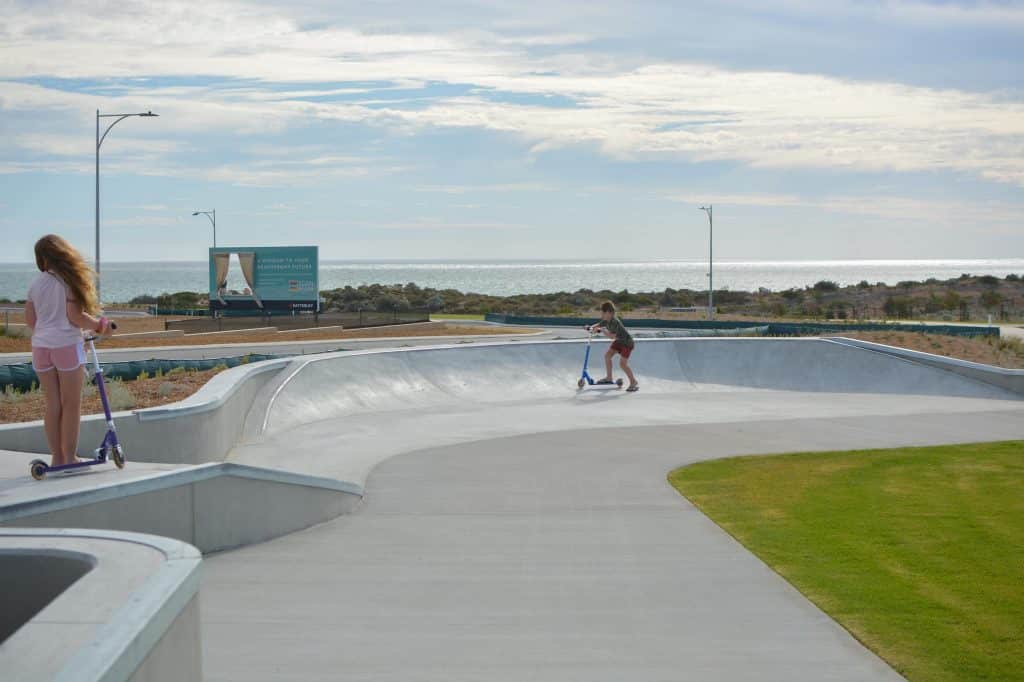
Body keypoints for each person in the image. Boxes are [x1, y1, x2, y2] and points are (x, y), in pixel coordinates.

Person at [23, 235, 112, 468]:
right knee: (71, 404)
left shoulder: (34, 283)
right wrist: (101, 325)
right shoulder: (69, 281)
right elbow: (76, 317)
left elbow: (31, 321)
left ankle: (56, 457)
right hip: (66, 347)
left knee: (53, 405)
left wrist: (48, 332)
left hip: (41, 348)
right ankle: (69, 457)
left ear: (42, 259)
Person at [587, 300, 638, 392]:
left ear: (608, 312)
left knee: (622, 364)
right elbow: (598, 324)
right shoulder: (606, 320)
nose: (601, 315)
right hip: (619, 341)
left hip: (627, 343)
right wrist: (590, 327)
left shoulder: (614, 322)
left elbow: (611, 336)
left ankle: (633, 382)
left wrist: (602, 330)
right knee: (607, 356)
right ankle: (609, 378)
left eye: (602, 313)